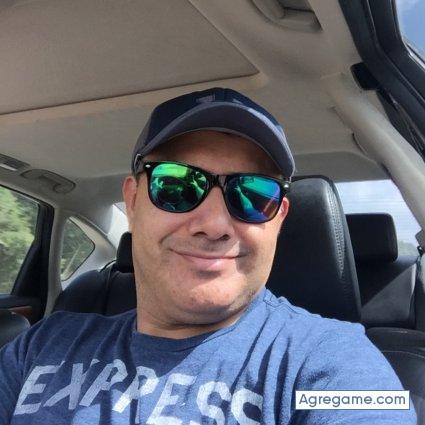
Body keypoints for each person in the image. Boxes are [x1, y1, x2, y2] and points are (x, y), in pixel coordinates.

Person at [0, 88, 416, 424]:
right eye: (176, 185)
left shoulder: (335, 361)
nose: (215, 224)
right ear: (133, 200)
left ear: (279, 219)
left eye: (253, 194)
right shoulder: (43, 344)